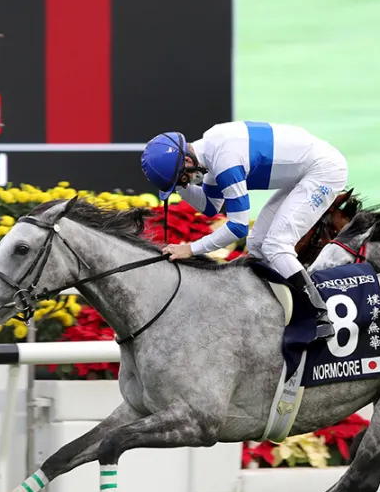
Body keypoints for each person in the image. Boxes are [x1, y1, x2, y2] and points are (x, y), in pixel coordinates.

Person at [140, 121, 348, 339]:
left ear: (188, 161)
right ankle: (271, 311)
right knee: (257, 244)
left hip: (324, 171)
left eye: (183, 179)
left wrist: (190, 249)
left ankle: (320, 316)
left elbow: (238, 227)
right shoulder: (210, 150)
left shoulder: (225, 162)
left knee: (276, 245)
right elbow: (210, 206)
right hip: (306, 172)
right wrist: (178, 187)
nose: (187, 183)